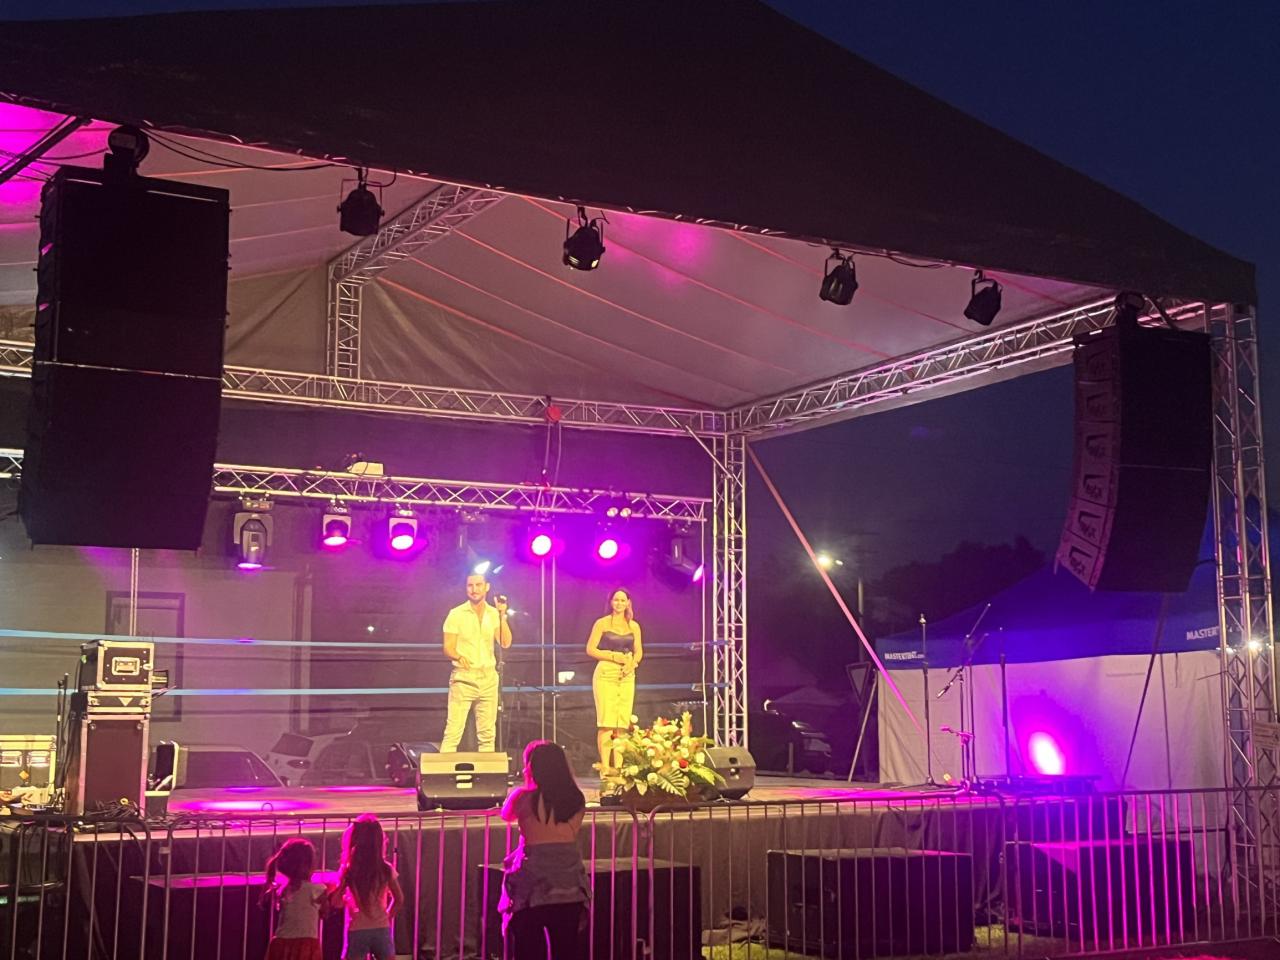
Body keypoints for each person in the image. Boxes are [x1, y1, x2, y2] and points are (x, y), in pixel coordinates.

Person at [499, 740, 590, 959]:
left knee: (529, 949)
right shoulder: (576, 799)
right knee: (567, 948)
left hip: (533, 886)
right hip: (568, 885)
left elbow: (506, 815)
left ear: (532, 767)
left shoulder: (522, 797)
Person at [441, 572, 512, 752]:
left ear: (486, 587)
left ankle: (486, 770)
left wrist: (502, 614)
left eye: (478, 585)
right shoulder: (456, 614)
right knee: (453, 732)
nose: (474, 589)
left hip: (488, 678)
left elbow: (505, 642)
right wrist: (458, 656)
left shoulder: (493, 613)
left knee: (487, 735)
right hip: (464, 678)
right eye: (470, 585)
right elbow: (448, 647)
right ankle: (444, 769)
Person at [331, 813, 404, 960]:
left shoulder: (350, 870)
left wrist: (343, 895)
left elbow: (336, 903)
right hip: (381, 927)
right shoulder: (385, 869)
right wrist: (387, 916)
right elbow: (399, 899)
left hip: (357, 927)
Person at [586, 588, 643, 772]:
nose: (619, 603)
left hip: (626, 674)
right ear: (611, 602)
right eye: (616, 600)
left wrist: (632, 664)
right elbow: (590, 649)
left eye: (623, 600)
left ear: (628, 603)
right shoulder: (602, 623)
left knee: (622, 724)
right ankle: (605, 768)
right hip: (606, 673)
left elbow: (639, 651)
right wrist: (612, 656)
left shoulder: (633, 626)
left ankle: (618, 769)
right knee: (607, 723)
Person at [261, 838, 329, 960]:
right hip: (305, 943)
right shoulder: (316, 889)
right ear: (308, 864)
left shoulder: (282, 890)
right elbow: (325, 913)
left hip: (281, 943)